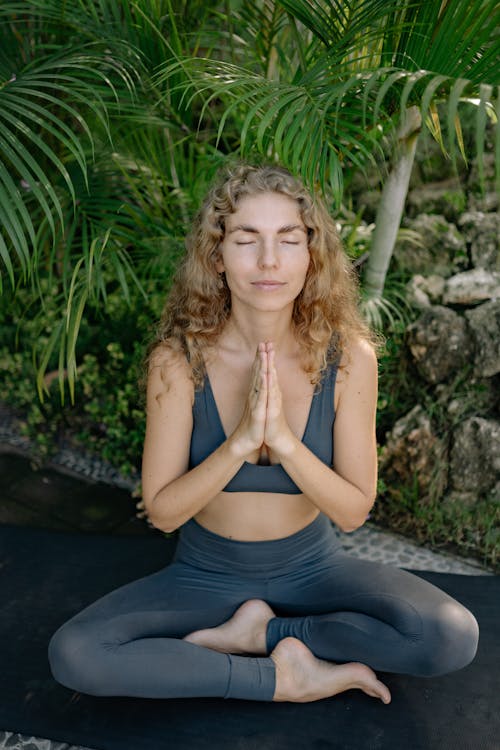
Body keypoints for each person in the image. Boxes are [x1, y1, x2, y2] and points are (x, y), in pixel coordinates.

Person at [48, 163, 479, 704]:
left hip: (313, 569)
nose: (269, 261)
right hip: (204, 574)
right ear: (217, 257)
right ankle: (279, 679)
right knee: (75, 653)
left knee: (450, 635)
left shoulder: (349, 359)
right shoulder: (178, 361)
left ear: (311, 256)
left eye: (288, 240)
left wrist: (285, 442)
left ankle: (267, 635)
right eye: (247, 240)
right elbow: (162, 512)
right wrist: (240, 444)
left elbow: (352, 512)